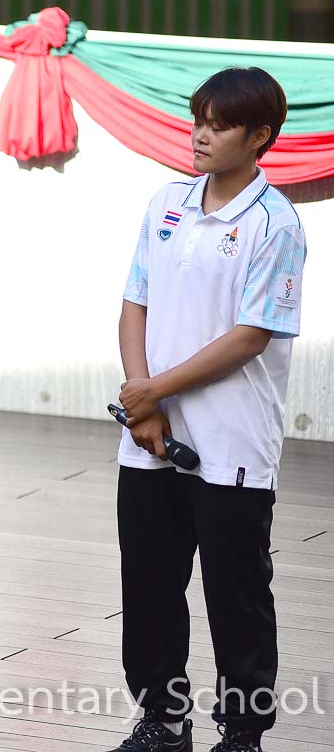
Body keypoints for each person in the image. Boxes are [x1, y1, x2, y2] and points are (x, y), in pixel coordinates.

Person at [113, 67, 305, 752]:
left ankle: (243, 733)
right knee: (149, 585)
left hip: (233, 446)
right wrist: (143, 400)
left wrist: (153, 390)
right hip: (151, 436)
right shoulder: (166, 202)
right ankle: (163, 721)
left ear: (259, 137)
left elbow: (251, 336)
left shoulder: (275, 224)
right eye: (198, 120)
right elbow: (134, 302)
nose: (200, 134)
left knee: (236, 594)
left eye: (219, 125)